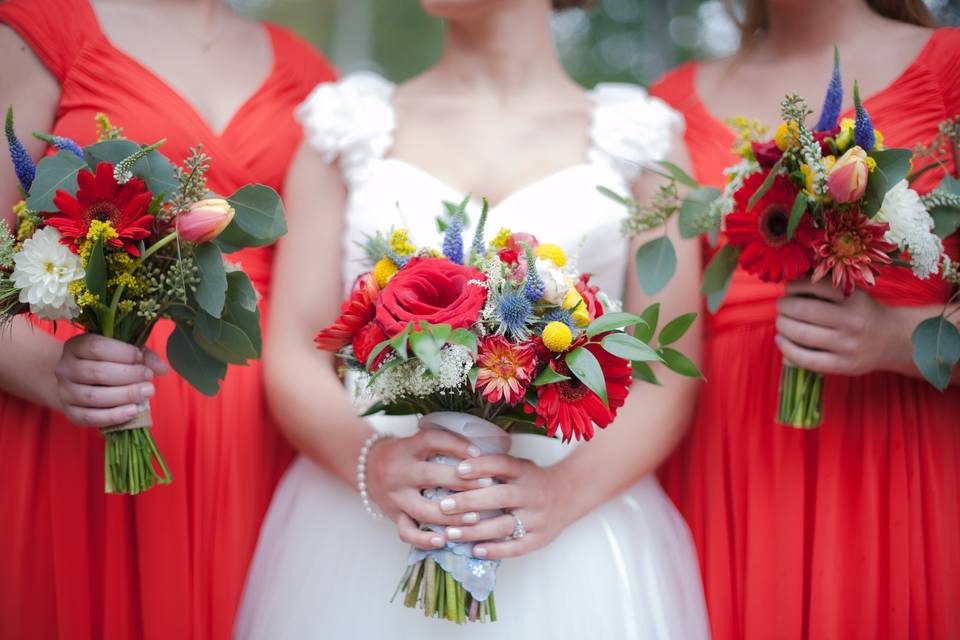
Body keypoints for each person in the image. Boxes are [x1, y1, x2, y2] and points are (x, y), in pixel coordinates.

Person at [236, 0, 710, 638]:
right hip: (362, 526)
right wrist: (373, 463)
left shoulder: (644, 144)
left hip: (573, 535)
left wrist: (562, 494)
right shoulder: (344, 128)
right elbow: (295, 348)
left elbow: (666, 376)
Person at [0, 0, 335, 638]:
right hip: (78, 435)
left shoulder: (310, 75)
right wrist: (55, 372)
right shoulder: (42, 27)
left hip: (256, 452)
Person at [650, 1, 960, 638]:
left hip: (897, 465)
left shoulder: (949, 70)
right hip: (722, 478)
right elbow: (652, 346)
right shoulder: (666, 108)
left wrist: (899, 338)